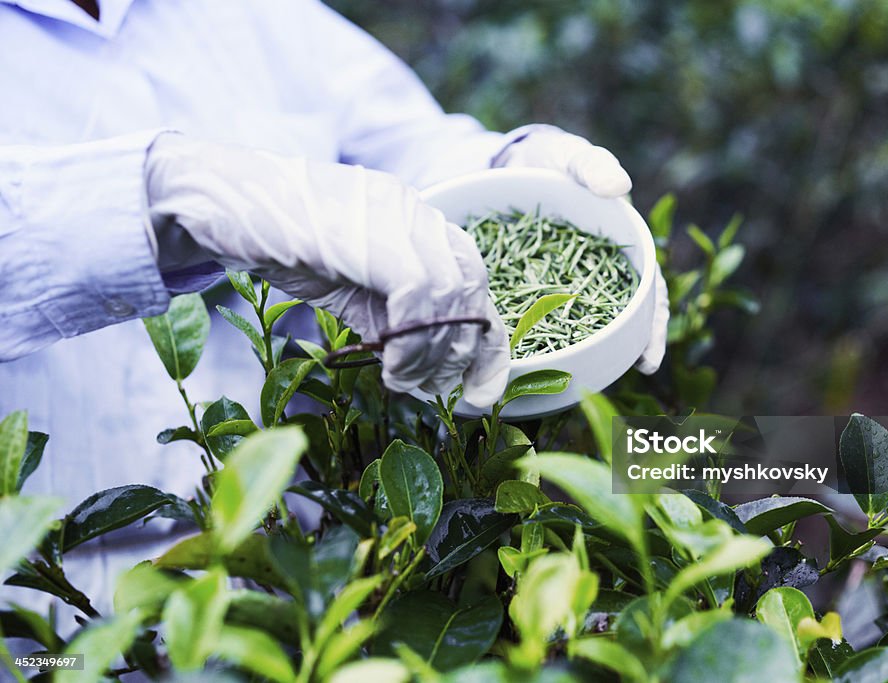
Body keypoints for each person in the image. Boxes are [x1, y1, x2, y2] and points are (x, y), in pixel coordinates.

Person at [0, 0, 668, 621]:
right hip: (57, 623)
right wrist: (162, 194)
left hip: (314, 579)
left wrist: (514, 170)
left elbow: (404, 147)